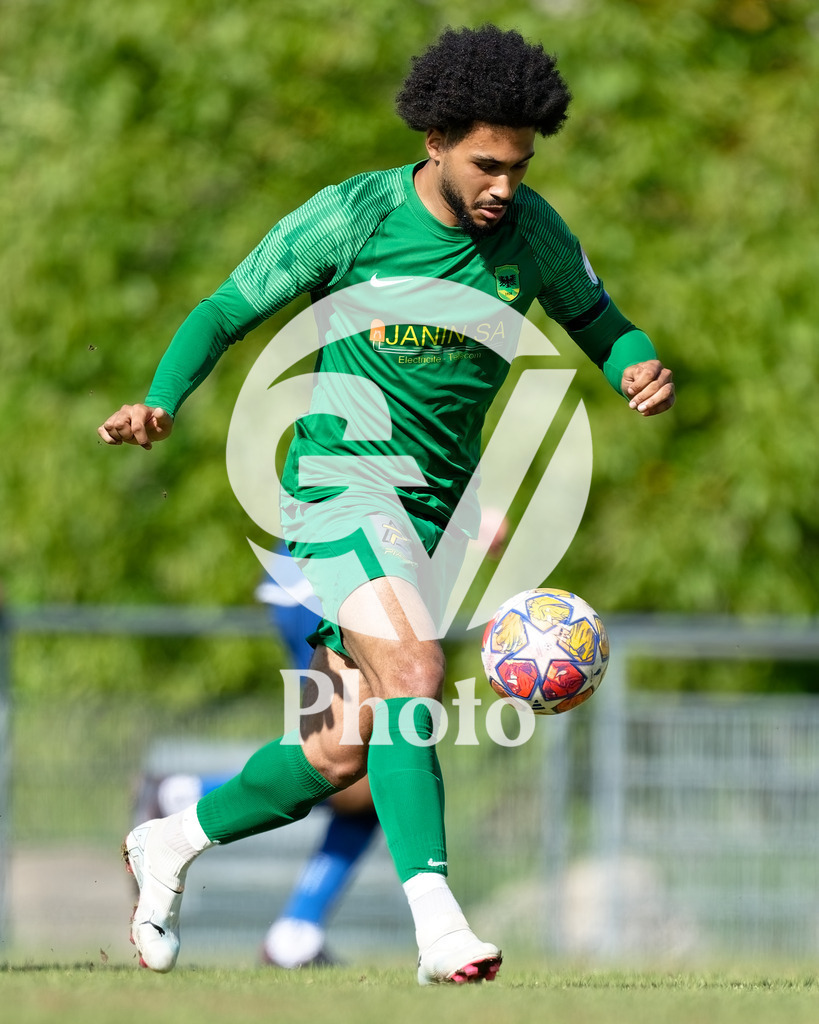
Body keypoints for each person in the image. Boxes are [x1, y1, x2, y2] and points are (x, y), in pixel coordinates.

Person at [98, 25, 674, 984]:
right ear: (435, 142)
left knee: (338, 753)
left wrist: (635, 367)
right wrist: (162, 398)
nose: (504, 186)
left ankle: (172, 839)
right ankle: (439, 928)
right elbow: (224, 309)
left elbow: (604, 324)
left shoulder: (534, 234)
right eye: (487, 164)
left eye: (519, 166)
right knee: (414, 670)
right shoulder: (352, 216)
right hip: (339, 488)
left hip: (435, 519)